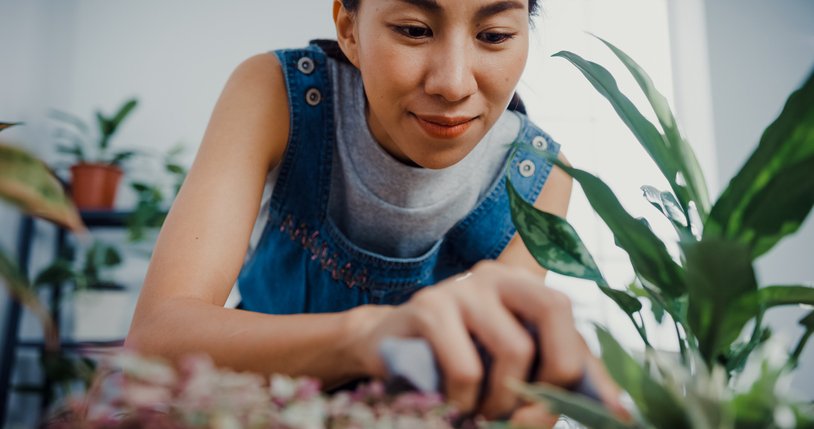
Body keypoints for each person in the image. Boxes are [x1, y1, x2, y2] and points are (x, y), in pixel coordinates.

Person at [126, 0, 627, 424]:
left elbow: (498, 378)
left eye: (494, 35)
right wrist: (365, 336)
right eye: (413, 30)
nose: (452, 85)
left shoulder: (539, 174)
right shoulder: (279, 94)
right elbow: (157, 336)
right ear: (348, 29)